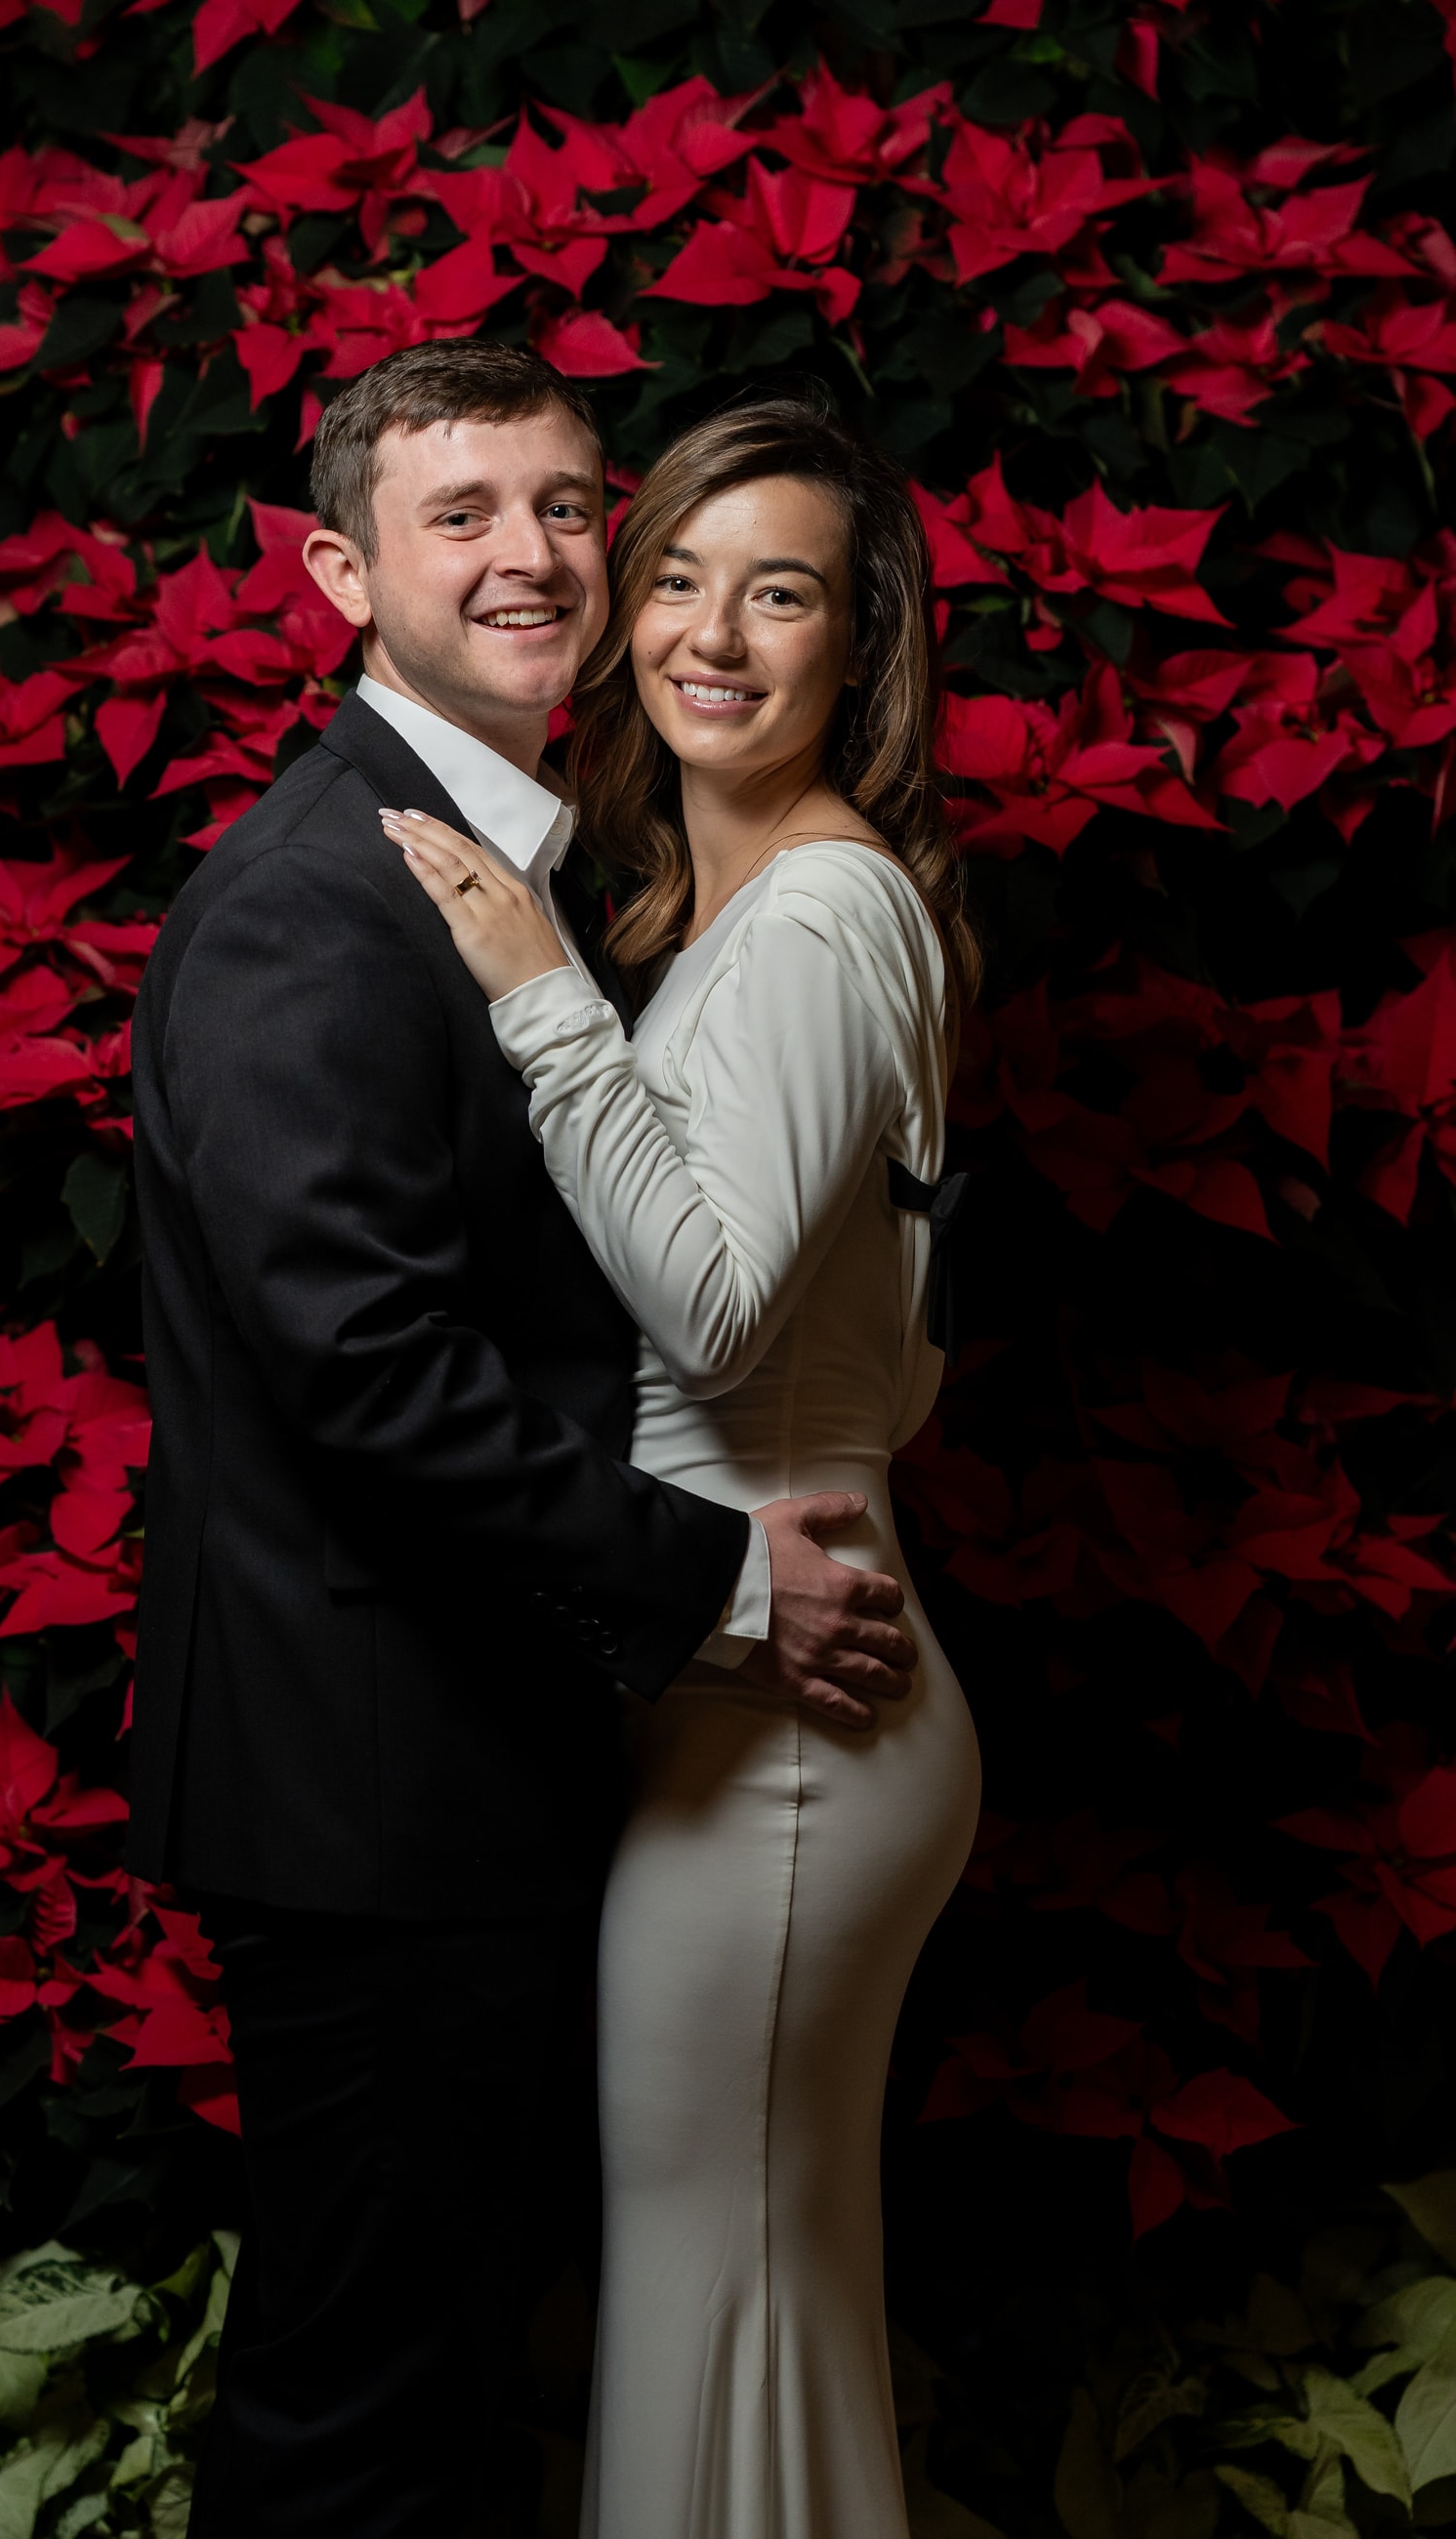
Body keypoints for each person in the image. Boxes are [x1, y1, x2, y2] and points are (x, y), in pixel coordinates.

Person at [126, 344, 923, 2539]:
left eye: (569, 507)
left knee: (457, 2382)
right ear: (337, 575)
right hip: (370, 1777)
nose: (532, 556)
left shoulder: (519, 869)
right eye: (460, 513)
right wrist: (723, 1577)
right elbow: (367, 1365)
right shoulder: (320, 901)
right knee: (366, 2411)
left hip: (466, 1751)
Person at [389, 394, 984, 2539]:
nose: (712, 635)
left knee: (713, 2291)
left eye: (782, 591)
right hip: (757, 1668)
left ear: (860, 644)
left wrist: (538, 994)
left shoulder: (816, 915)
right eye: (678, 580)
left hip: (793, 1722)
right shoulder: (748, 911)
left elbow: (716, 1308)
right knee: (749, 2285)